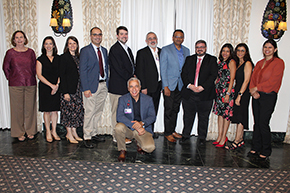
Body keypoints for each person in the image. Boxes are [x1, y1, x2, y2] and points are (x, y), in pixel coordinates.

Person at [248, 39, 284, 160]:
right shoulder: (259, 63)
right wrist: (253, 91)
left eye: (270, 47)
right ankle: (256, 147)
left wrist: (257, 88)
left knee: (263, 123)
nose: (267, 50)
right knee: (257, 122)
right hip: (256, 95)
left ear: (275, 49)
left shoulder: (279, 62)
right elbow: (253, 78)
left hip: (268, 96)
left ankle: (266, 150)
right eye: (265, 47)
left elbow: (273, 81)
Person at [180, 40, 218, 145]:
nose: (199, 49)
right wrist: (190, 85)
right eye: (197, 47)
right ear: (195, 48)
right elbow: (184, 74)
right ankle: (185, 135)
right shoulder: (189, 59)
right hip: (189, 94)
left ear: (205, 48)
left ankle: (202, 137)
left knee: (203, 117)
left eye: (201, 47)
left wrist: (203, 87)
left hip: (205, 94)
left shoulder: (212, 60)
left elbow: (213, 76)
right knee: (187, 117)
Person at [2, 30, 37, 141]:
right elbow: (6, 68)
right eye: (17, 37)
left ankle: (30, 131)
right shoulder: (10, 53)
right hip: (15, 84)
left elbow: (34, 67)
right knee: (17, 109)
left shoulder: (31, 52)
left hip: (30, 83)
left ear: (25, 39)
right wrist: (12, 78)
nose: (19, 39)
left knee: (30, 109)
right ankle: (19, 132)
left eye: (21, 37)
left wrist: (30, 77)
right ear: (13, 40)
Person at [79, 27, 108, 148]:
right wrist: (85, 88)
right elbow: (82, 71)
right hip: (90, 87)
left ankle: (94, 132)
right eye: (95, 34)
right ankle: (87, 136)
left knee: (98, 111)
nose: (97, 37)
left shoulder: (105, 50)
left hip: (103, 85)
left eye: (99, 34)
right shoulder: (85, 50)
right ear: (90, 36)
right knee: (89, 112)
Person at [115, 77, 156, 162]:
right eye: (131, 86)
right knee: (118, 127)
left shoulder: (148, 99)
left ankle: (139, 143)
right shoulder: (122, 99)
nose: (134, 89)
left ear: (140, 87)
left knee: (150, 148)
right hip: (129, 129)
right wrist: (134, 125)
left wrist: (142, 123)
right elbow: (119, 116)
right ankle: (122, 150)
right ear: (128, 88)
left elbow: (152, 116)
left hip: (143, 129)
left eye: (136, 86)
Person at [160, 29, 190, 143]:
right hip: (169, 85)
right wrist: (165, 86)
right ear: (173, 38)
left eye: (181, 37)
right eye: (176, 36)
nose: (179, 38)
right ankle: (167, 132)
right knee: (168, 109)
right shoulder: (166, 50)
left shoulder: (187, 50)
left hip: (181, 85)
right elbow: (163, 69)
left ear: (183, 38)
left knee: (176, 109)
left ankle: (172, 130)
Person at [108, 26, 134, 144]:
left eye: (126, 34)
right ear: (117, 36)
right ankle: (116, 137)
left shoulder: (127, 49)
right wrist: (131, 79)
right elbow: (119, 69)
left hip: (126, 88)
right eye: (122, 34)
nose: (124, 36)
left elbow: (132, 67)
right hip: (117, 88)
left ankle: (124, 134)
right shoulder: (115, 49)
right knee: (116, 113)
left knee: (125, 113)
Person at [225, 43, 254, 150]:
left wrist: (240, 95)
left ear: (246, 52)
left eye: (242, 51)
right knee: (239, 115)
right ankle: (240, 139)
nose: (240, 53)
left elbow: (246, 80)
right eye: (238, 50)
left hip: (244, 92)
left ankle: (237, 141)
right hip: (238, 91)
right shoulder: (238, 63)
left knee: (241, 116)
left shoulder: (247, 63)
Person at [135, 32, 162, 138]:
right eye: (150, 38)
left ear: (157, 39)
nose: (152, 40)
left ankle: (151, 131)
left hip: (158, 86)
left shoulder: (161, 51)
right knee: (145, 111)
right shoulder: (142, 52)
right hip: (147, 87)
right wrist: (143, 87)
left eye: (154, 38)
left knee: (154, 110)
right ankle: (144, 131)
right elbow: (140, 71)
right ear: (146, 41)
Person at [59, 36, 84, 144]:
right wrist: (65, 92)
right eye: (70, 43)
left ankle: (74, 132)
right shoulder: (64, 57)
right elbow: (62, 76)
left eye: (74, 43)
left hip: (77, 89)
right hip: (68, 90)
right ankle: (68, 133)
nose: (72, 45)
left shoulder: (79, 57)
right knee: (68, 112)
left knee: (76, 112)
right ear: (67, 45)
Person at [36, 36, 61, 143]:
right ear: (43, 46)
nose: (48, 46)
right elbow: (39, 75)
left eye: (50, 44)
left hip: (57, 86)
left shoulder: (58, 58)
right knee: (46, 111)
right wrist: (51, 86)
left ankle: (54, 131)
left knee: (55, 111)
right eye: (46, 44)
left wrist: (57, 85)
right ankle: (47, 131)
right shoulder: (40, 59)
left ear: (54, 45)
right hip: (45, 87)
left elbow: (61, 73)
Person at [212, 43, 236, 148]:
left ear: (231, 53)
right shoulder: (220, 62)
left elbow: (232, 79)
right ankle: (220, 136)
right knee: (220, 114)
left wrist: (228, 93)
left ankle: (224, 137)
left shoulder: (231, 62)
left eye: (227, 51)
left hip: (227, 91)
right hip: (219, 91)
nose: (225, 53)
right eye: (223, 51)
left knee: (226, 115)